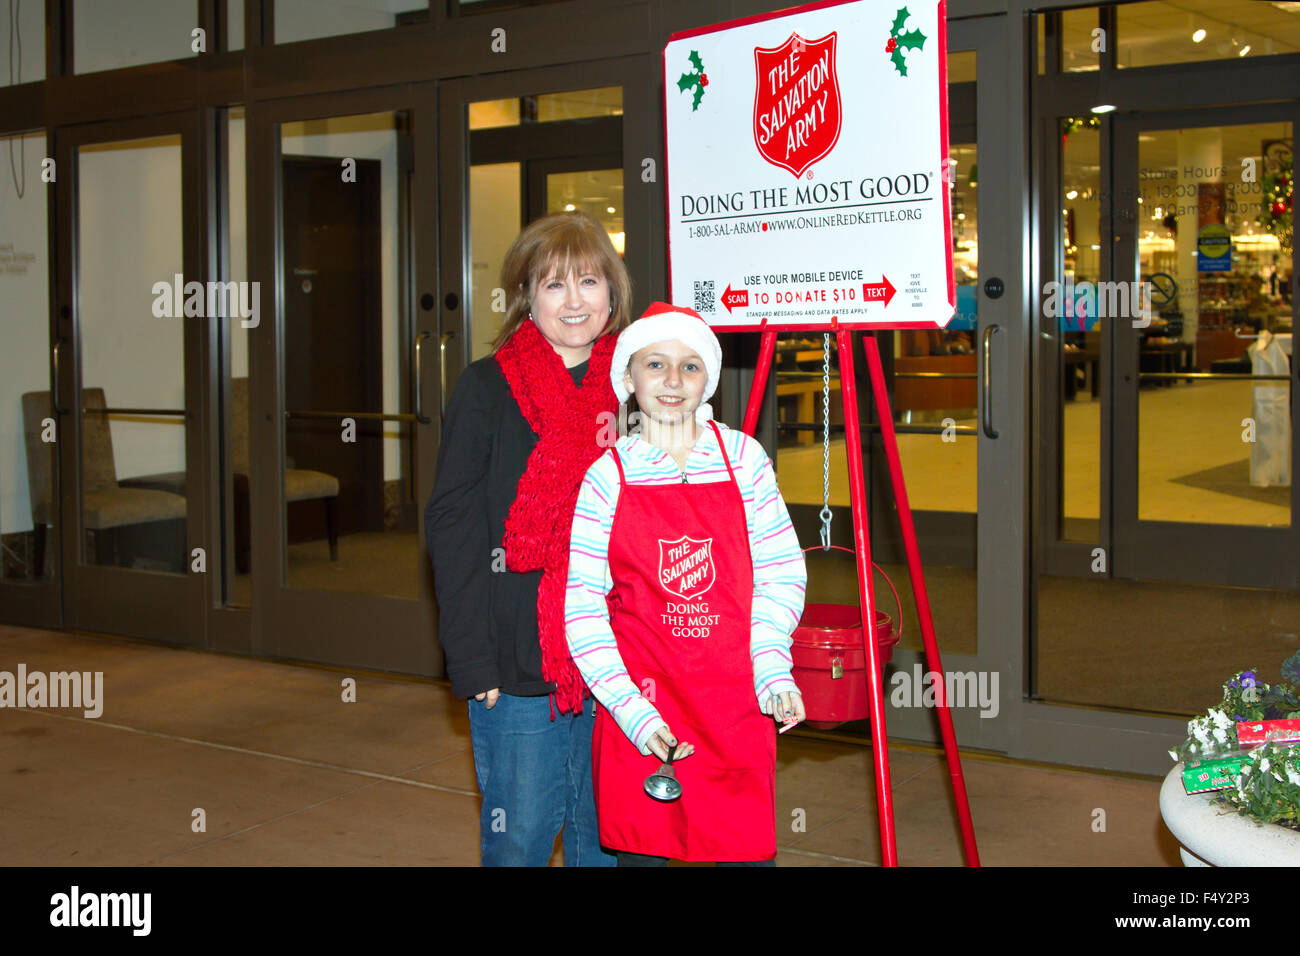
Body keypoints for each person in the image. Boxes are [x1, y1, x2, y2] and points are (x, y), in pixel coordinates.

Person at [564, 302, 807, 865]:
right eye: (655, 364)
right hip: (643, 715)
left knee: (742, 852)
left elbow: (779, 570)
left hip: (735, 709)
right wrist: (631, 710)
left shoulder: (744, 460)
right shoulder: (606, 478)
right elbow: (581, 609)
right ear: (628, 378)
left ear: (710, 380)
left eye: (690, 366)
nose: (673, 381)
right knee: (645, 854)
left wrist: (771, 665)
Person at [425, 211, 631, 866]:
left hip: (621, 659)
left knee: (610, 844)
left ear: (612, 294)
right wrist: (472, 660)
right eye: (553, 285)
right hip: (518, 662)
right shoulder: (488, 387)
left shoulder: (639, 390)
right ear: (527, 298)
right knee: (520, 842)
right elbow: (453, 527)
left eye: (589, 282)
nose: (575, 302)